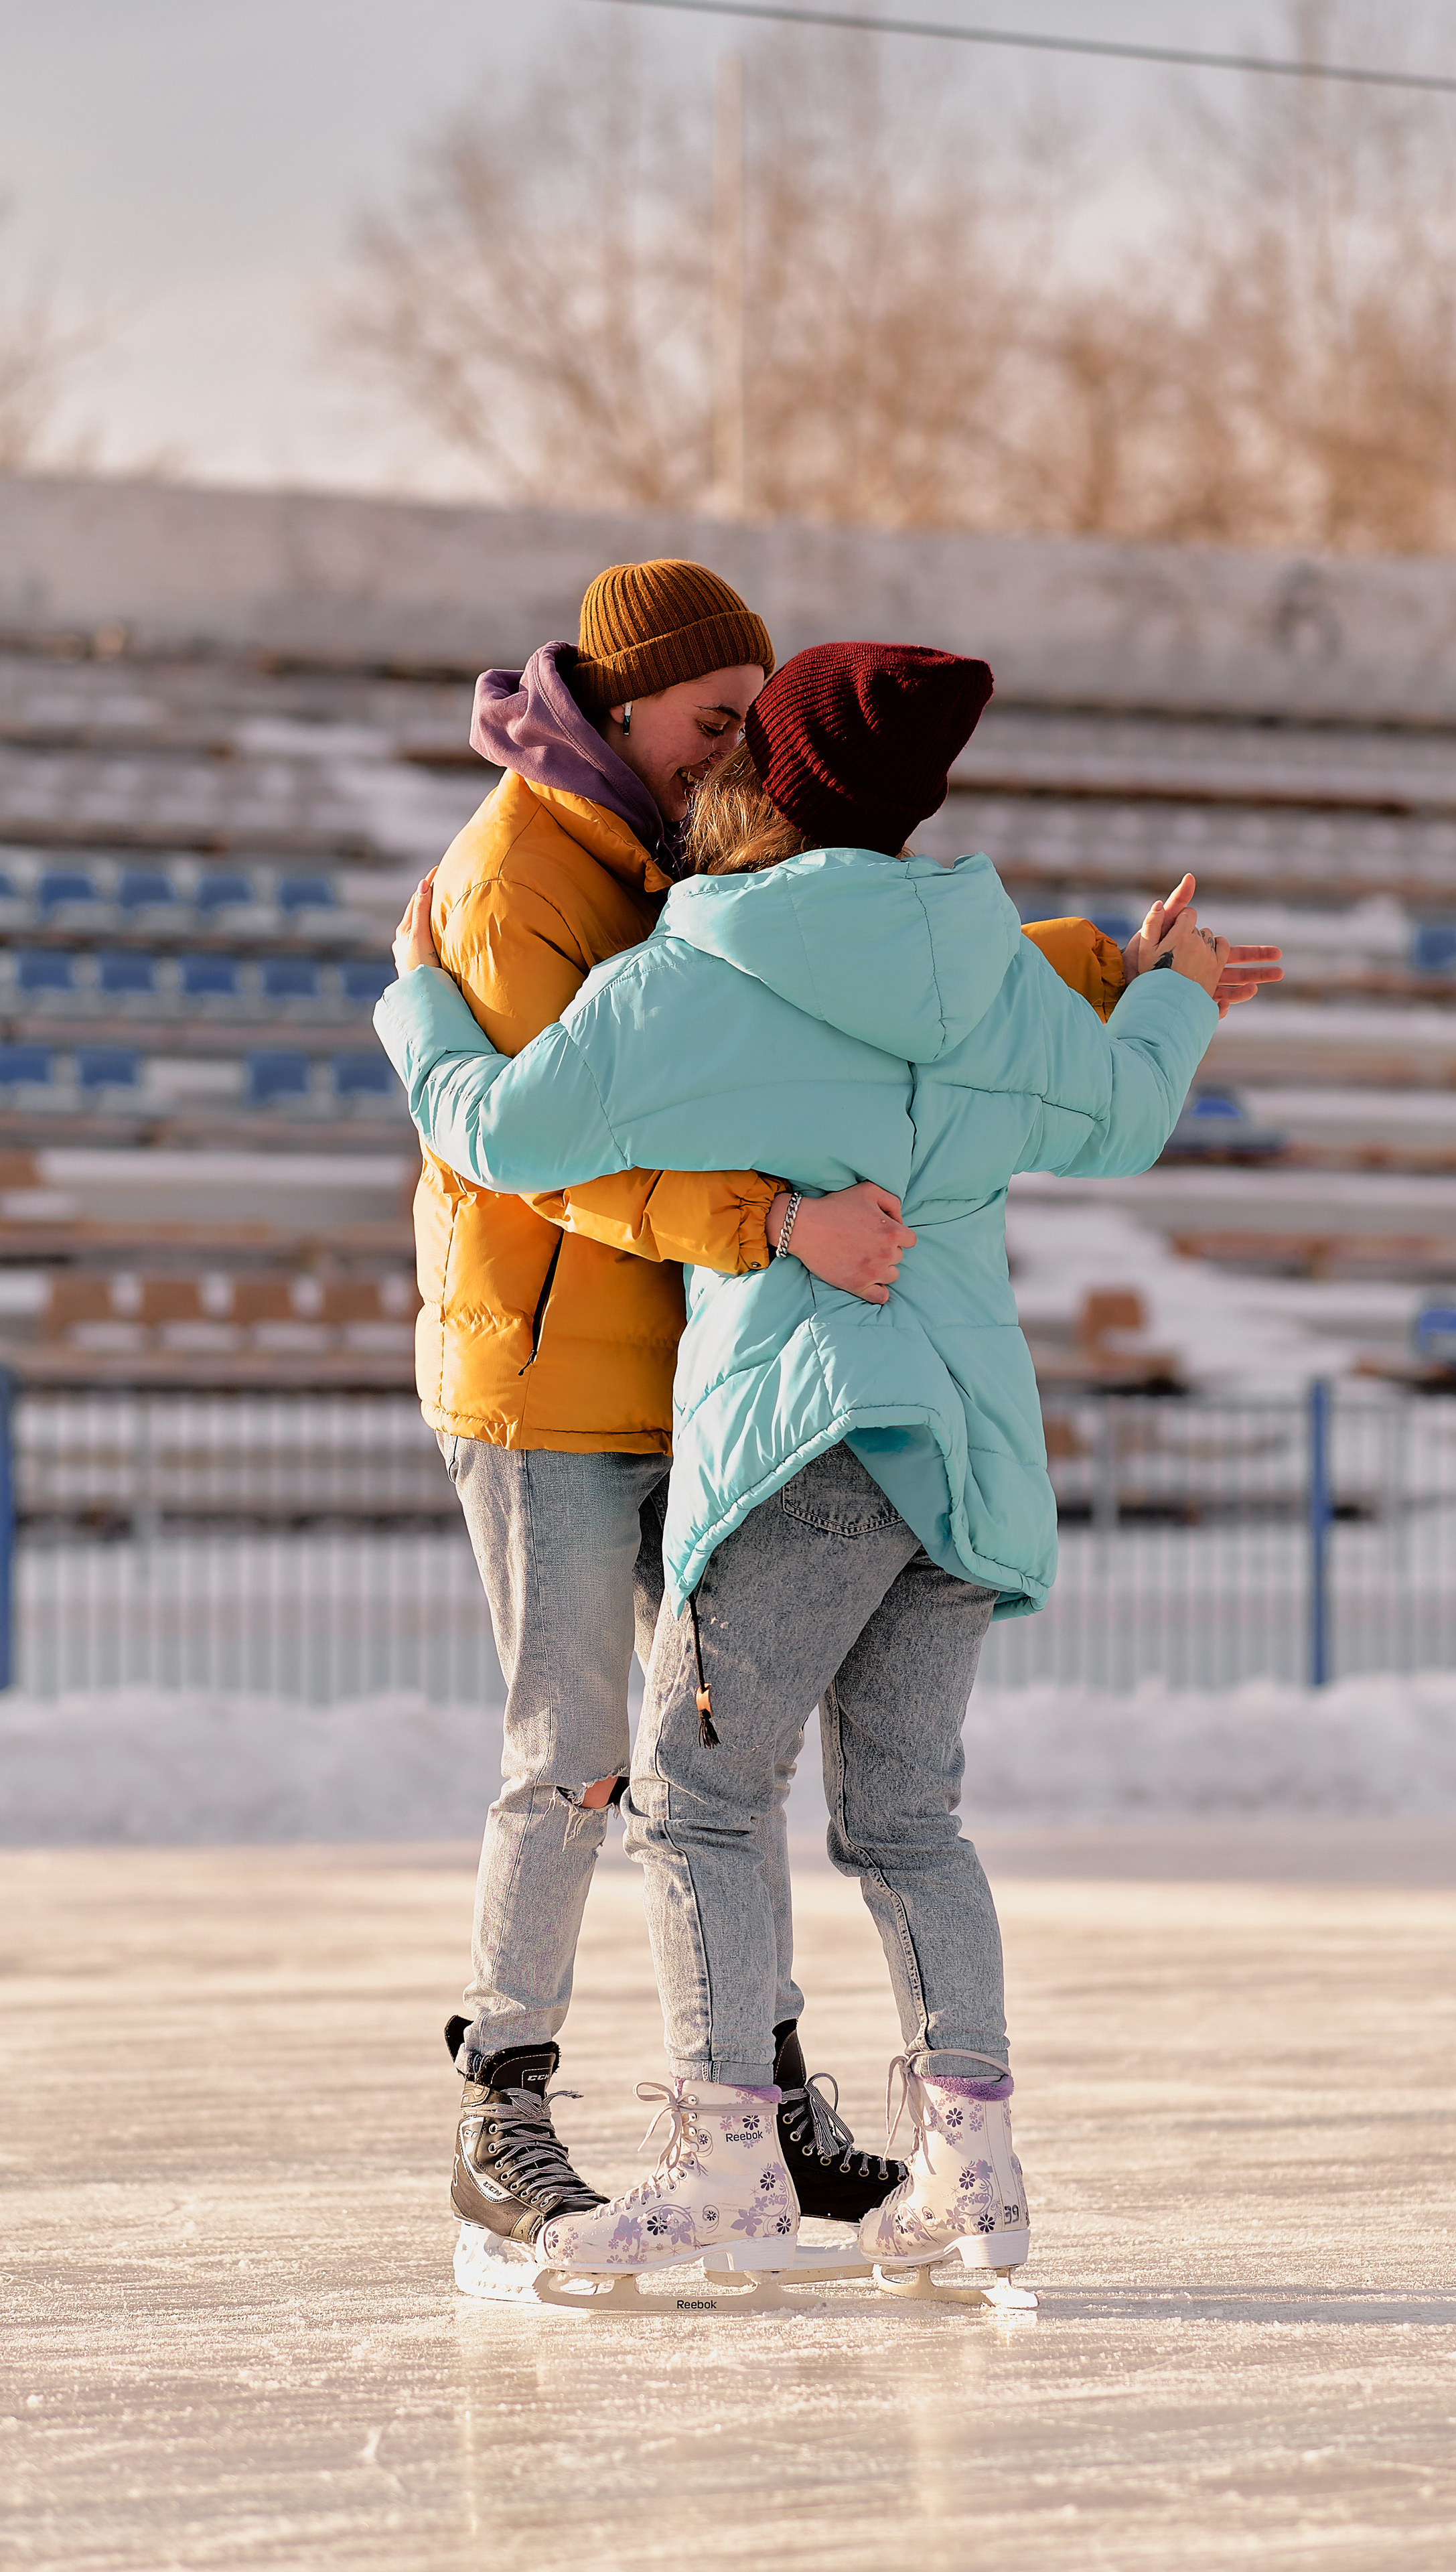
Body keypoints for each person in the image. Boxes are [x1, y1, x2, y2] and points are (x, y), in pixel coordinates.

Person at [382, 640, 1266, 2279]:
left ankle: (726, 2168)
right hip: (968, 1454)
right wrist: (1175, 992)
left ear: (766, 777)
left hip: (799, 1442)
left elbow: (501, 1136)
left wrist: (414, 998)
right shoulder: (990, 964)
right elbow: (1118, 1120)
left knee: (703, 1804)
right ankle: (971, 2179)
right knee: (910, 1823)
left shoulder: (697, 965)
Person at [421, 561, 920, 2242]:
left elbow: (845, 986)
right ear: (618, 708)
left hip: (693, 1365)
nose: (736, 757)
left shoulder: (679, 850)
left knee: (718, 1745)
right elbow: (554, 1160)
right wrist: (768, 1222)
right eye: (715, 722)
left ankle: (757, 2093)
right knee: (573, 1751)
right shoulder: (516, 882)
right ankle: (503, 2098)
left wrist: (1099, 973)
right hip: (548, 1380)